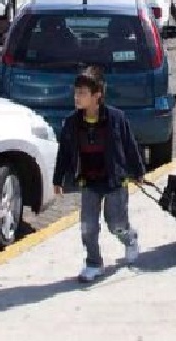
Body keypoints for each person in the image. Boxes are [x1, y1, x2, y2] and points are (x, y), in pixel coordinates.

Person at [52, 66, 145, 283]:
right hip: (89, 182)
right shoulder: (72, 123)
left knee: (116, 224)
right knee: (88, 227)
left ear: (97, 95)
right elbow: (64, 152)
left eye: (82, 93)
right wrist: (58, 179)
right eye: (76, 93)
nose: (77, 97)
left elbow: (130, 145)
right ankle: (94, 263)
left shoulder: (116, 118)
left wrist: (138, 170)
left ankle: (130, 239)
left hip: (114, 181)